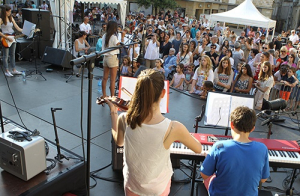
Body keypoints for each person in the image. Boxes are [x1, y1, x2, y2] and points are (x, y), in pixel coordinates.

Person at [100, 69, 202, 195]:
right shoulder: (174, 128)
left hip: (133, 185)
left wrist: (114, 112)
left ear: (137, 92)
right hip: (158, 189)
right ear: (163, 93)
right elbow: (198, 148)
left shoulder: (125, 118)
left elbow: (119, 142)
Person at [200, 106, 270, 195]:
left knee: (208, 179)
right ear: (253, 128)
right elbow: (263, 179)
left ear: (232, 125)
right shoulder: (262, 148)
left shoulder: (219, 147)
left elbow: (204, 175)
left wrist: (209, 159)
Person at [102, 21, 124, 97]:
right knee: (112, 79)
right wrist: (123, 37)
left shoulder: (104, 35)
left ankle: (104, 95)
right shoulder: (114, 37)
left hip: (105, 57)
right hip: (112, 57)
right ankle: (112, 96)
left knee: (104, 78)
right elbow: (119, 45)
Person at [0, 5, 23, 77]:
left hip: (12, 37)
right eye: (9, 11)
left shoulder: (11, 18)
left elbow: (18, 28)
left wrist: (25, 30)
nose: (10, 12)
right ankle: (6, 70)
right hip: (6, 38)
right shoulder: (1, 19)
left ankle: (13, 69)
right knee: (6, 55)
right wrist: (5, 37)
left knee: (13, 54)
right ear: (5, 11)